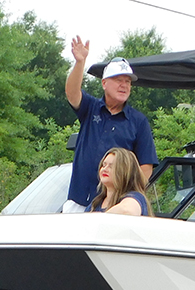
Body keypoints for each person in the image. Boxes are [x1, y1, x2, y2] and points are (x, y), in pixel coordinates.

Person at [64, 37, 158, 213]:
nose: (124, 85)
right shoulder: (90, 108)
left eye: (128, 82)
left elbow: (146, 167)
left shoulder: (138, 121)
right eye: (118, 80)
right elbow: (71, 93)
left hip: (113, 204)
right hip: (79, 200)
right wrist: (80, 62)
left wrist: (130, 197)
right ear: (104, 83)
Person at [88, 148, 153, 216]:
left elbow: (127, 210)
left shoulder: (136, 197)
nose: (105, 169)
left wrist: (98, 220)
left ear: (125, 172)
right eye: (104, 165)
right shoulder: (95, 203)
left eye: (111, 166)